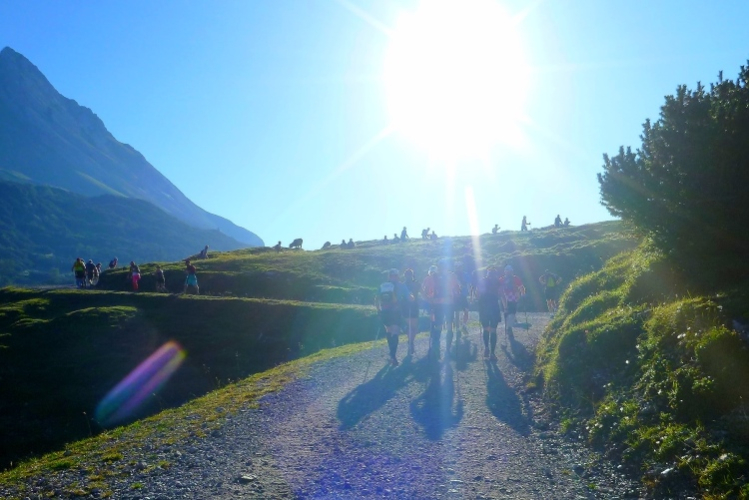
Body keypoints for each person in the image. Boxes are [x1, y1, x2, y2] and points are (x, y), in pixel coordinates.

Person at [421, 259, 460, 360]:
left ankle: (436, 347)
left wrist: (430, 300)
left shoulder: (431, 277)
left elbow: (424, 291)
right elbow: (457, 290)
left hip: (437, 304)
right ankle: (448, 350)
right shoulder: (452, 276)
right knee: (449, 326)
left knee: (438, 326)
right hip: (449, 304)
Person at [375, 268, 411, 366]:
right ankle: (393, 355)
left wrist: (378, 310)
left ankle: (391, 354)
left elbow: (376, 299)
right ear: (398, 276)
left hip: (384, 311)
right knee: (395, 331)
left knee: (389, 331)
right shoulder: (401, 285)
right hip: (395, 311)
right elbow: (409, 297)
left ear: (388, 276)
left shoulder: (383, 286)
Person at [475, 266, 502, 360]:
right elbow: (500, 293)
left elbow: (477, 293)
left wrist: (478, 300)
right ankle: (492, 353)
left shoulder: (482, 281)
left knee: (485, 328)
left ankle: (486, 347)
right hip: (494, 306)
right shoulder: (497, 282)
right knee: (493, 330)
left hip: (483, 307)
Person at [499, 265, 525, 338]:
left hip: (504, 297)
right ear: (512, 271)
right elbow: (521, 287)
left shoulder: (501, 279)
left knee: (506, 312)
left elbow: (498, 289)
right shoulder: (515, 278)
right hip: (514, 297)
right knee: (512, 312)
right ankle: (509, 327)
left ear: (505, 271)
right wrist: (522, 295)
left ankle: (507, 326)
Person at [402, 268, 421, 356]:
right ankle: (410, 342)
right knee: (413, 327)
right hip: (410, 306)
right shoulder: (404, 285)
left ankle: (410, 341)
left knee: (412, 327)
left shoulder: (404, 285)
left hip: (410, 306)